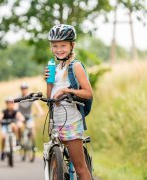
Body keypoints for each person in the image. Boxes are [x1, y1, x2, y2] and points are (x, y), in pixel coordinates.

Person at [44, 24, 93, 180]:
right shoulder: (56, 67)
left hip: (71, 120)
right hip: (56, 120)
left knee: (80, 169)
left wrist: (67, 90)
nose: (59, 49)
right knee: (57, 160)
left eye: (63, 45)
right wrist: (48, 82)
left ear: (72, 45)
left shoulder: (75, 66)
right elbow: (50, 98)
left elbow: (88, 93)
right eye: (55, 46)